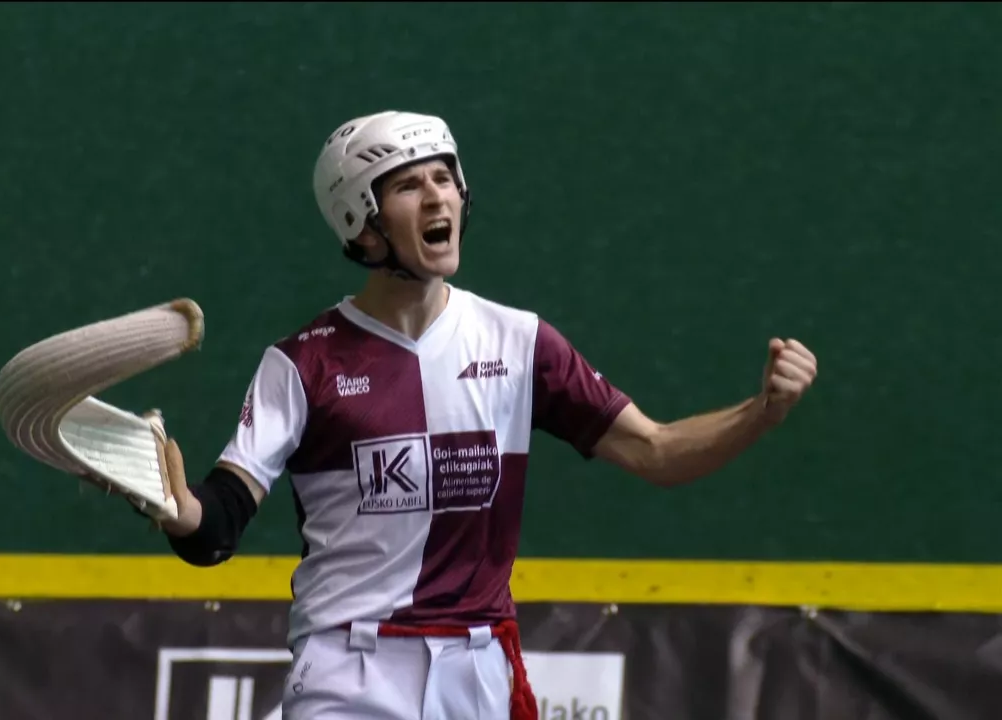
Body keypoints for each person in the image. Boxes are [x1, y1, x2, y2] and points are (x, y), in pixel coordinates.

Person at [147, 111, 818, 720]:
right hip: (350, 671)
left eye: (445, 177)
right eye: (408, 185)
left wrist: (761, 412)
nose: (437, 196)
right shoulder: (303, 363)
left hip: (478, 675)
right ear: (362, 222)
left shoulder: (520, 343)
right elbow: (220, 522)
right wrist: (181, 511)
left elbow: (658, 451)